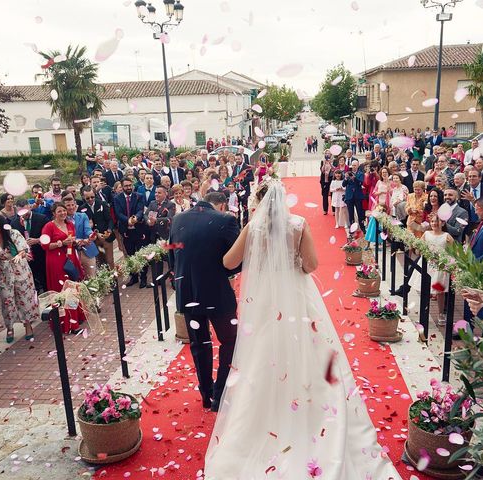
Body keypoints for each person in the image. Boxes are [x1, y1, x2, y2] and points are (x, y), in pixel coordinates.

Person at [204, 179, 400, 479]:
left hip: (266, 302)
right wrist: (291, 259)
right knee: (310, 353)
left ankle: (259, 426)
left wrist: (260, 260)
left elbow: (228, 261)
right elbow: (311, 265)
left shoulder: (253, 227)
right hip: (296, 297)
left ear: (259, 201)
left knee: (261, 358)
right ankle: (309, 413)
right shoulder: (297, 224)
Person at [168, 192, 240, 412]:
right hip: (217, 295)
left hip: (188, 294)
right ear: (220, 205)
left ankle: (206, 393)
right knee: (229, 342)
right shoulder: (226, 220)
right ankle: (220, 394)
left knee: (199, 344)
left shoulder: (178, 219)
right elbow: (235, 262)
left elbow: (171, 256)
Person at [0, 215, 38, 343]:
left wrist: (19, 255)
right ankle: (10, 327)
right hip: (3, 275)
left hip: (21, 272)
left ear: (1, 225)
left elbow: (24, 249)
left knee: (24, 299)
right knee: (7, 302)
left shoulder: (14, 234)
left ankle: (28, 326)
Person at [41, 202, 85, 334]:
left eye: (64, 211)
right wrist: (61, 243)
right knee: (63, 290)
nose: (63, 213)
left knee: (73, 289)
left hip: (70, 259)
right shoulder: (49, 226)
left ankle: (75, 317)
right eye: (59, 211)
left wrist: (76, 242)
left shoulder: (70, 224)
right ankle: (65, 322)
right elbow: (45, 245)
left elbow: (71, 241)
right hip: (56, 261)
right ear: (54, 213)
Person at [113, 178, 148, 287]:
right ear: (122, 187)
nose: (128, 187)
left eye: (130, 185)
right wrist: (128, 221)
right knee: (130, 254)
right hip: (126, 230)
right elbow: (118, 213)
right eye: (126, 186)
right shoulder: (117, 198)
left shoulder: (138, 196)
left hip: (139, 229)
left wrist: (135, 218)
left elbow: (140, 210)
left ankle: (143, 278)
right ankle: (134, 277)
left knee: (142, 254)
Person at [10, 200, 48, 293]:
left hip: (41, 255)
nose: (24, 215)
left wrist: (38, 240)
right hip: (25, 259)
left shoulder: (42, 218)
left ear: (30, 207)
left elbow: (49, 236)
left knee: (44, 282)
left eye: (26, 212)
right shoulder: (14, 223)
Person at [423, 215, 454, 326]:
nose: (434, 223)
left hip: (441, 265)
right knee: (425, 289)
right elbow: (421, 248)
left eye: (437, 221)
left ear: (443, 223)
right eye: (432, 221)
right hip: (428, 264)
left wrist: (447, 262)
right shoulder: (426, 234)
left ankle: (441, 313)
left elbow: (453, 251)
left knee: (440, 291)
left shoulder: (446, 236)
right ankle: (424, 312)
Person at [79, 186, 115, 269]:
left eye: (92, 197)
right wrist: (95, 233)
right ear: (83, 197)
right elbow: (84, 226)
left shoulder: (102, 204)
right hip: (93, 239)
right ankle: (104, 279)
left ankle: (114, 280)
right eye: (87, 198)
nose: (91, 199)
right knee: (99, 262)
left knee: (110, 260)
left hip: (106, 236)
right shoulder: (81, 209)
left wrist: (109, 230)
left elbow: (110, 220)